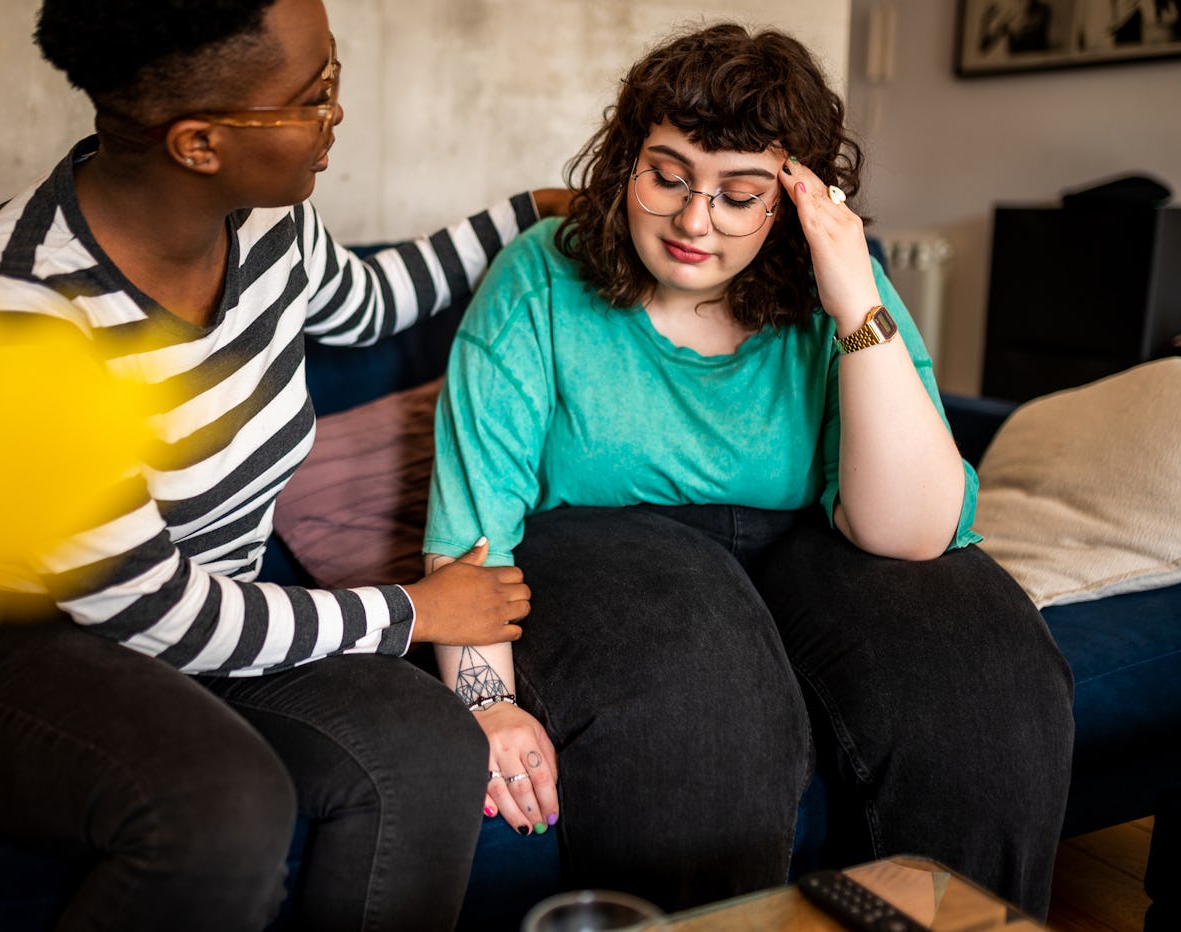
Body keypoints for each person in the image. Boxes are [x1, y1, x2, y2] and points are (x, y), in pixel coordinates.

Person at [0, 0, 568, 929]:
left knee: (427, 747)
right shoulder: (20, 313)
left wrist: (536, 212)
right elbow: (151, 613)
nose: (337, 116)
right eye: (317, 95)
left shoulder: (267, 227)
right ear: (197, 142)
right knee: (220, 806)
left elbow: (376, 302)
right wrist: (414, 611)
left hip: (205, 606)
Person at [423, 22, 1075, 919]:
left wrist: (853, 294)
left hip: (810, 547)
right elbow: (474, 527)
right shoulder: (540, 276)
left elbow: (911, 534)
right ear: (626, 165)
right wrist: (486, 703)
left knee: (983, 679)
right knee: (705, 706)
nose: (696, 221)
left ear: (793, 200)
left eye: (740, 194)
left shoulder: (835, 288)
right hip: (604, 551)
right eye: (669, 176)